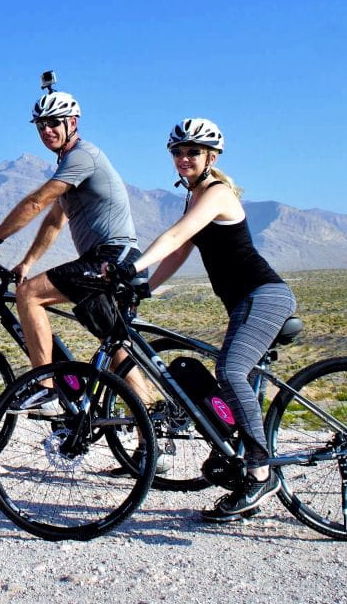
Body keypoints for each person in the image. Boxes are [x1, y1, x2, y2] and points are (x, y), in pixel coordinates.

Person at [107, 118, 297, 521]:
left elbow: (176, 236)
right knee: (229, 374)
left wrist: (132, 267)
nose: (183, 158)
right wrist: (146, 288)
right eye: (177, 152)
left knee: (230, 370)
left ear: (211, 156)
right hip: (244, 301)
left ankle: (261, 473)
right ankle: (237, 451)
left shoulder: (217, 193)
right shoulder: (194, 198)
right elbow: (180, 253)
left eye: (192, 151)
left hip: (263, 295)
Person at [0, 89, 145, 416]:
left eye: (53, 123)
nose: (46, 130)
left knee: (30, 295)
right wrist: (27, 262)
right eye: (40, 125)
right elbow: (53, 221)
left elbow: (37, 202)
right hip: (117, 260)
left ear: (72, 122)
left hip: (110, 257)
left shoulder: (82, 156)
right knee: (116, 345)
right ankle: (152, 434)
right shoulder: (69, 165)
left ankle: (45, 389)